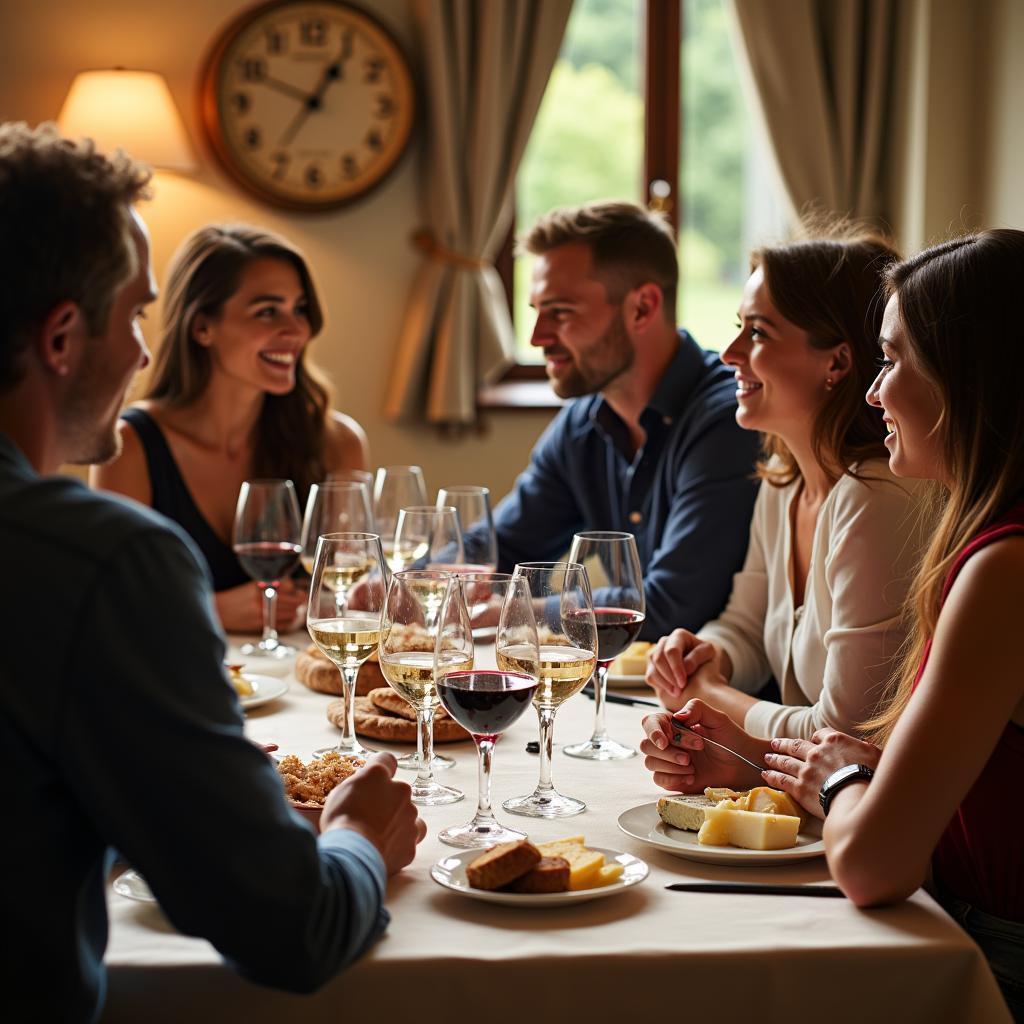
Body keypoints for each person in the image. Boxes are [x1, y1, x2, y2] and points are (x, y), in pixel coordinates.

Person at [0, 122, 424, 1023]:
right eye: (134, 318)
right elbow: (292, 931)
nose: (143, 356)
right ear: (64, 335)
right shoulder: (104, 559)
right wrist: (357, 838)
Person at [643, 231, 1024, 1019]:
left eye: (893, 361)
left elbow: (874, 863)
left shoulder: (1004, 566)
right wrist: (755, 758)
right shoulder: (983, 540)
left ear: (968, 375)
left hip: (994, 953)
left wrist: (838, 778)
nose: (877, 393)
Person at [642, 224, 928, 741]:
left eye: (757, 333)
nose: (728, 353)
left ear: (837, 362)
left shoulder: (875, 498)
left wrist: (709, 695)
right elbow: (746, 625)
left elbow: (844, 730)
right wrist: (707, 653)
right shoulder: (782, 484)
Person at [483, 201, 761, 640]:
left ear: (642, 308)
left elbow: (673, 604)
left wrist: (521, 610)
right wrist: (408, 583)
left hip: (723, 700)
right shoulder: (582, 424)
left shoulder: (727, 420)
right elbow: (500, 547)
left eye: (560, 312)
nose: (537, 337)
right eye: (536, 310)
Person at [91, 224, 368, 633]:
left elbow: (351, 595)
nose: (296, 331)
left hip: (305, 686)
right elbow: (108, 608)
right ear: (202, 327)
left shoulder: (336, 443)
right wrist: (211, 609)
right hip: (180, 683)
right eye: (268, 311)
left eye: (300, 308)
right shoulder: (130, 446)